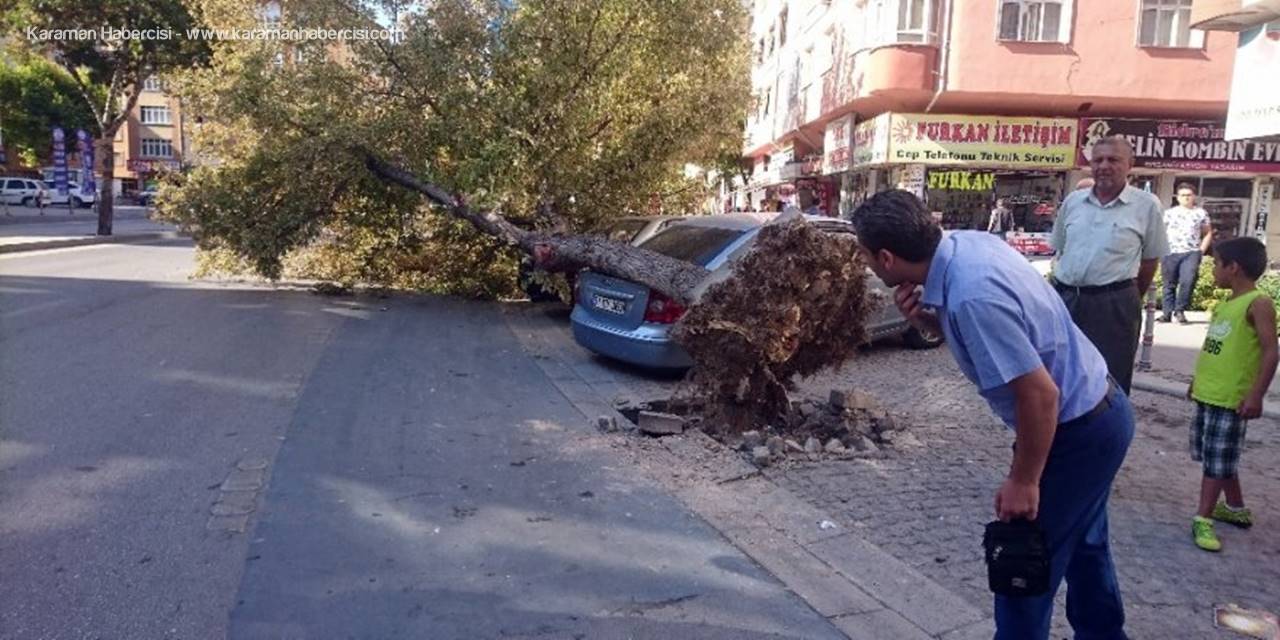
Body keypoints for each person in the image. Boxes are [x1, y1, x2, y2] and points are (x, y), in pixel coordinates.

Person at [851, 190, 1134, 640]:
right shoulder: (968, 246)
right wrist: (928, 322)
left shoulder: (971, 296)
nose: (864, 263)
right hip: (1100, 414)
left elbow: (1040, 396)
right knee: (1086, 548)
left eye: (864, 255)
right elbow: (1001, 341)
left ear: (886, 258)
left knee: (1022, 566)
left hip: (1077, 432)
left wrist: (1024, 480)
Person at [1050, 136, 1168, 393]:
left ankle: (1107, 421)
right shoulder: (1073, 202)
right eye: (1098, 160)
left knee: (1109, 380)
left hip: (1114, 304)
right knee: (1058, 374)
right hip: (1066, 300)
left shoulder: (1146, 206)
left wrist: (1125, 296)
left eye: (1113, 160)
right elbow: (1060, 249)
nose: (1104, 166)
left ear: (1130, 165)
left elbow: (1150, 260)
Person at [1186, 237, 1278, 552]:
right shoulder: (1227, 304)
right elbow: (1215, 348)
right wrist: (1196, 381)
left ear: (1233, 267)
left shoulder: (1258, 303)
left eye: (1216, 263)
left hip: (1230, 399)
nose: (1212, 269)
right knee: (1218, 455)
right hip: (1209, 393)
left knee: (1217, 461)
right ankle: (1235, 507)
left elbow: (1271, 351)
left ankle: (1203, 517)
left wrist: (1256, 395)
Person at [1159, 183, 1213, 324]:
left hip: (1191, 252)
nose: (1186, 198)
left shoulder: (1200, 213)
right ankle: (1166, 313)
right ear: (1177, 197)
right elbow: (1160, 232)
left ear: (1194, 196)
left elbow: (1207, 232)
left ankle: (1180, 311)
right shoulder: (1169, 213)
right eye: (1183, 195)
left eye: (1189, 195)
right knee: (1169, 283)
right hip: (1170, 251)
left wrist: (1201, 251)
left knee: (1187, 281)